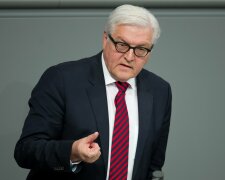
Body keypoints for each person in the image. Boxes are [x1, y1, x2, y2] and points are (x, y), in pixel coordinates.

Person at [14, 4, 172, 180]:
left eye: (141, 49)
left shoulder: (160, 91)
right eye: (121, 45)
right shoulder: (61, 79)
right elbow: (26, 150)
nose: (129, 56)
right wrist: (72, 152)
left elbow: (154, 166)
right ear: (105, 39)